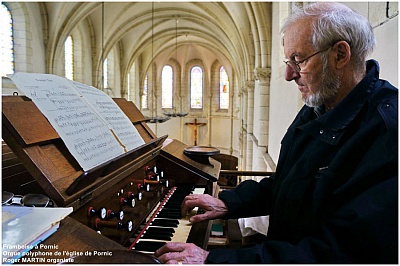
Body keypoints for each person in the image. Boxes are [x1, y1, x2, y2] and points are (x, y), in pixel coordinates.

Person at [154, 2, 398, 263]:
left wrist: (215, 260)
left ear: (340, 55)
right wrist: (229, 203)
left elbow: (338, 253)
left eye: (298, 60)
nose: (288, 74)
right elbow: (288, 185)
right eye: (288, 61)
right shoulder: (320, 105)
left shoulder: (387, 131)